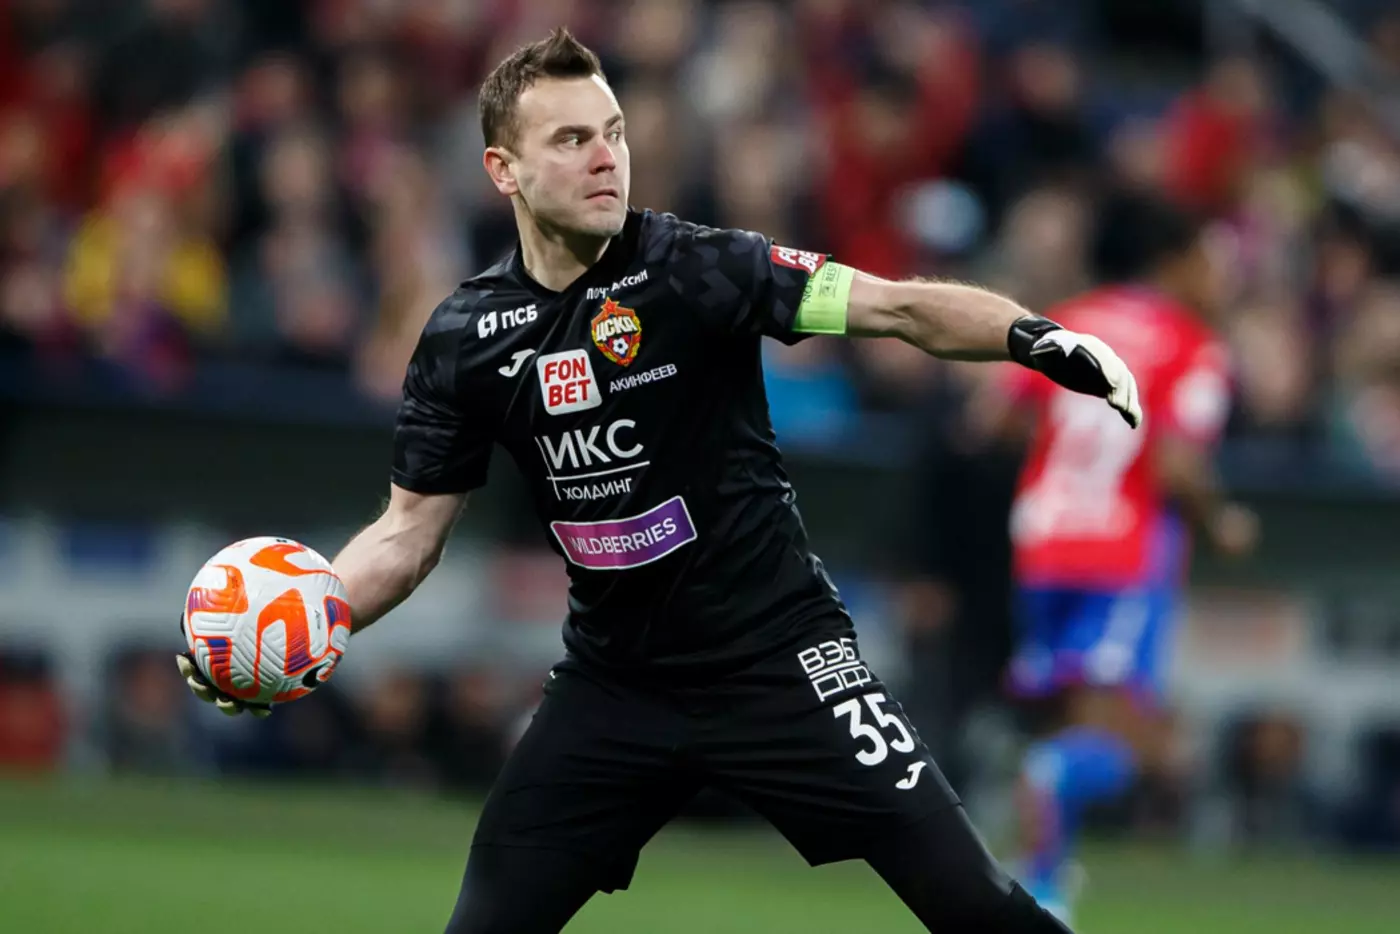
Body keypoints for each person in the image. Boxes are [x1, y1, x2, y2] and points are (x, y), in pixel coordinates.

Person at [177, 29, 1141, 934]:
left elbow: (894, 308)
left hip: (784, 662)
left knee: (976, 906)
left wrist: (1034, 337)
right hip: (613, 690)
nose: (606, 158)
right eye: (571, 140)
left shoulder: (699, 269)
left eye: (615, 133)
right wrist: (301, 626)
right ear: (503, 170)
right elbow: (406, 534)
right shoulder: (465, 339)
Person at [992, 192, 1258, 922]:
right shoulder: (1190, 343)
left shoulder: (1069, 318)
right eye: (1211, 261)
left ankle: (1043, 889)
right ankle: (1043, 802)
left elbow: (996, 417)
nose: (1221, 278)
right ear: (1174, 262)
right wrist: (1222, 522)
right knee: (1128, 746)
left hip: (1044, 541)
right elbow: (1176, 463)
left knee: (1071, 719)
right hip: (1122, 552)